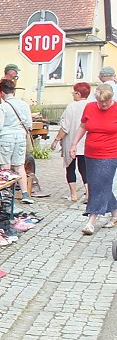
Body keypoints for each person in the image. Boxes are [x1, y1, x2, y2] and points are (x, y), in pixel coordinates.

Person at [72, 83, 117, 235]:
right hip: (90, 153)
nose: (103, 104)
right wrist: (74, 144)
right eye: (100, 101)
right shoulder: (90, 107)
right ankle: (116, 213)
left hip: (110, 154)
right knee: (97, 184)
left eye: (106, 100)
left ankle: (91, 219)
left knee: (99, 185)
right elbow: (83, 126)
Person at [0, 79, 34, 203]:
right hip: (20, 138)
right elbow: (29, 124)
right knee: (19, 166)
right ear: (14, 91)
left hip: (5, 138)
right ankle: (25, 194)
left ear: (2, 92)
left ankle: (6, 195)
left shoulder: (2, 107)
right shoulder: (24, 105)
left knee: (5, 167)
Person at [50, 82, 91, 201]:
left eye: (74, 92)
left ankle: (73, 195)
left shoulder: (72, 106)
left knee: (70, 167)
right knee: (84, 169)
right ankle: (88, 194)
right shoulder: (92, 105)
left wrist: (56, 140)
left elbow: (65, 127)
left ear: (78, 93)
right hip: (86, 143)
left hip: (72, 142)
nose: (73, 95)